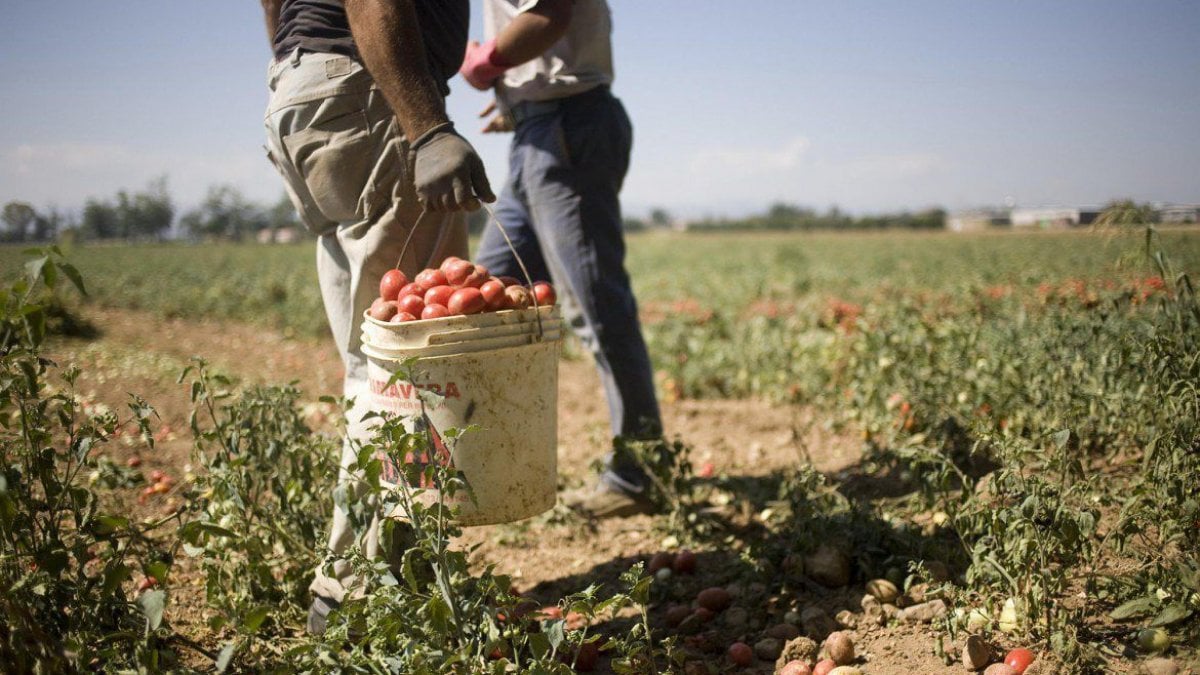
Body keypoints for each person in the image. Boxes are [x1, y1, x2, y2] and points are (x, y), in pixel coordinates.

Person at [259, 0, 494, 634]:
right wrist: (428, 127)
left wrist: (298, 66)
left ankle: (381, 580)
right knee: (403, 368)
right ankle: (355, 596)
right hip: (368, 90)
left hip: (305, 92)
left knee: (374, 361)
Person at [459, 0, 664, 518]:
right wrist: (519, 98)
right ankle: (491, 464)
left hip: (568, 125)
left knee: (597, 307)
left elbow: (549, 14)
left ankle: (639, 474)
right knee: (490, 298)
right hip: (539, 129)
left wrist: (484, 63)